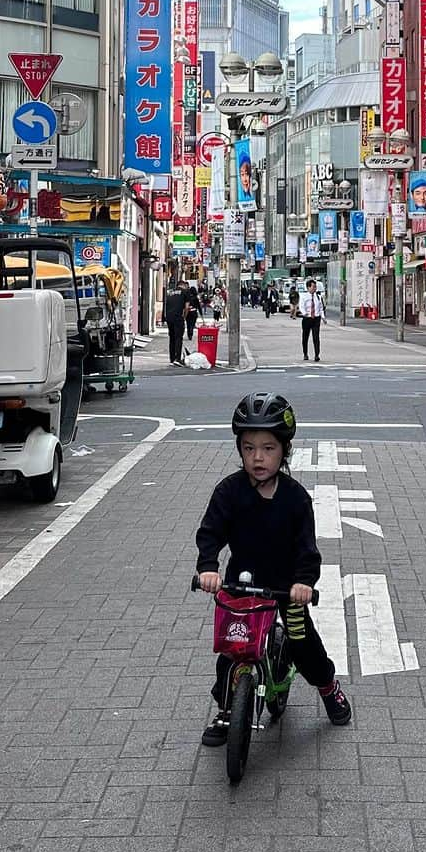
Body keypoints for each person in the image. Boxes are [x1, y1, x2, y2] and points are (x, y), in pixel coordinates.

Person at [195, 393, 351, 744]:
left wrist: (304, 582)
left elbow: (307, 550)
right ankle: (226, 709)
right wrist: (208, 568)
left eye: (268, 448)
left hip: (286, 585)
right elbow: (210, 534)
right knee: (233, 647)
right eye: (249, 448)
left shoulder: (296, 499)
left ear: (284, 451)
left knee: (302, 641)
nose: (258, 457)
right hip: (241, 584)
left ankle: (328, 687)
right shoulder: (229, 492)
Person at [163, 271, 187, 366]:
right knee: (178, 338)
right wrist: (184, 316)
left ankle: (172, 358)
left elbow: (166, 305)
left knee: (172, 338)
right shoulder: (185, 292)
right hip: (178, 317)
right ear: (183, 285)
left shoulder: (170, 292)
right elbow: (187, 306)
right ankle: (178, 358)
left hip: (169, 317)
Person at [301, 279, 324, 360]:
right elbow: (301, 306)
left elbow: (321, 308)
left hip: (316, 319)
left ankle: (317, 355)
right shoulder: (303, 296)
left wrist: (323, 317)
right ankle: (305, 354)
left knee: (316, 337)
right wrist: (304, 313)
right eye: (313, 286)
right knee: (305, 337)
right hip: (307, 318)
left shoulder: (318, 296)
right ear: (308, 287)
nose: (315, 288)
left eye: (315, 287)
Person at [184, 279, 201, 347]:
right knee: (192, 324)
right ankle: (191, 334)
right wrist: (201, 314)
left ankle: (189, 334)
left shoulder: (188, 297)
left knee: (188, 324)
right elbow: (199, 306)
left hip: (188, 312)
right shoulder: (196, 298)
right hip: (194, 312)